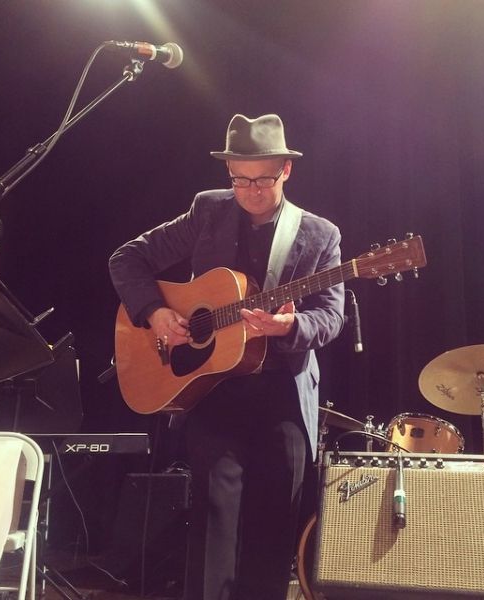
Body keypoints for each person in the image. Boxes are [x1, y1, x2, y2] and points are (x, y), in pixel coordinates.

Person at [108, 113, 345, 600]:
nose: (250, 191)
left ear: (285, 170)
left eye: (262, 180)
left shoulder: (320, 235)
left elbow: (331, 316)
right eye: (240, 180)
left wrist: (290, 326)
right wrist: (155, 312)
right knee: (212, 522)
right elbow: (127, 258)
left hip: (282, 394)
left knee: (271, 528)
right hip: (213, 390)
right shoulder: (208, 210)